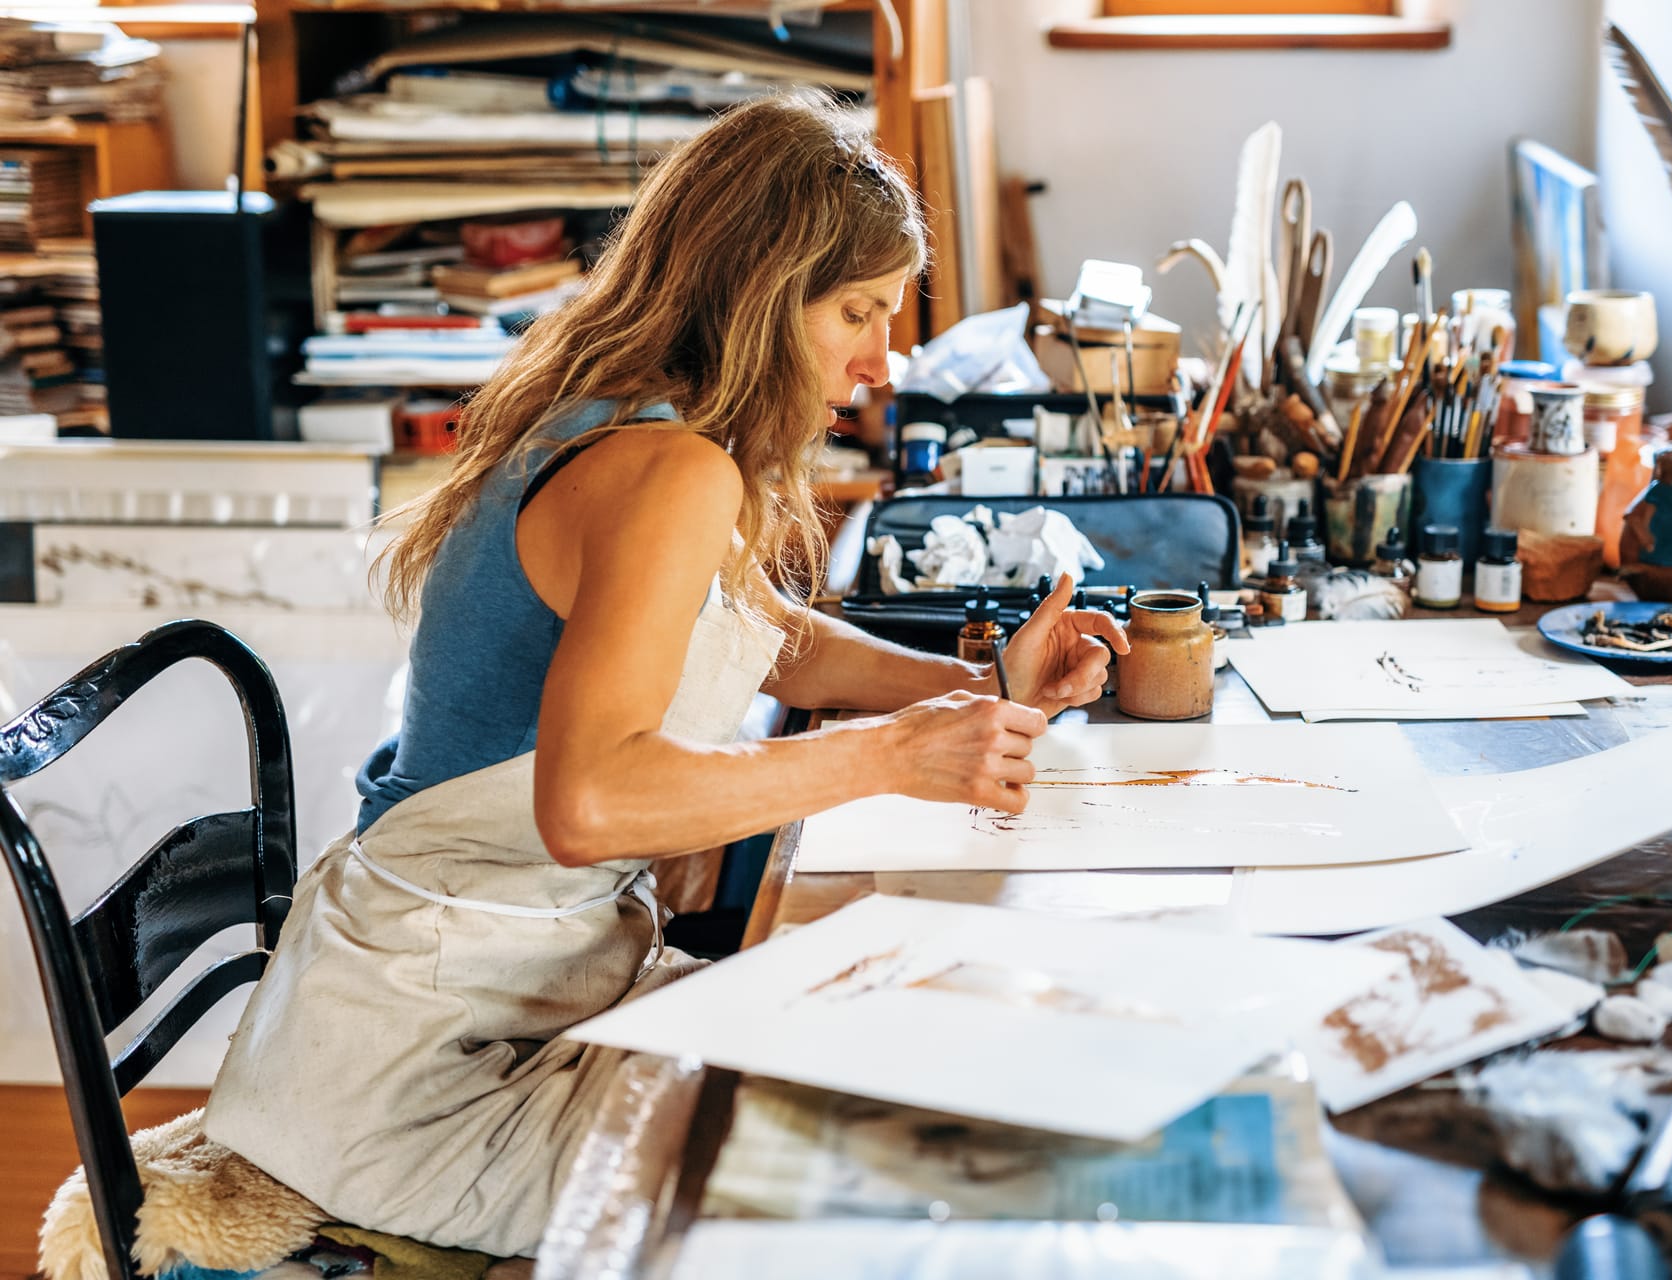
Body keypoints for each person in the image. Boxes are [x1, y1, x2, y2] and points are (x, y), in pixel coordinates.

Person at [202, 91, 1126, 1257]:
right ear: (759, 292)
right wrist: (890, 754)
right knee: (883, 1161)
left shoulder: (631, 417)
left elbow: (769, 637)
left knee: (910, 1052)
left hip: (493, 984)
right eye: (857, 312)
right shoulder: (668, 467)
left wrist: (979, 680)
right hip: (424, 1069)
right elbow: (588, 803)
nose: (880, 361)